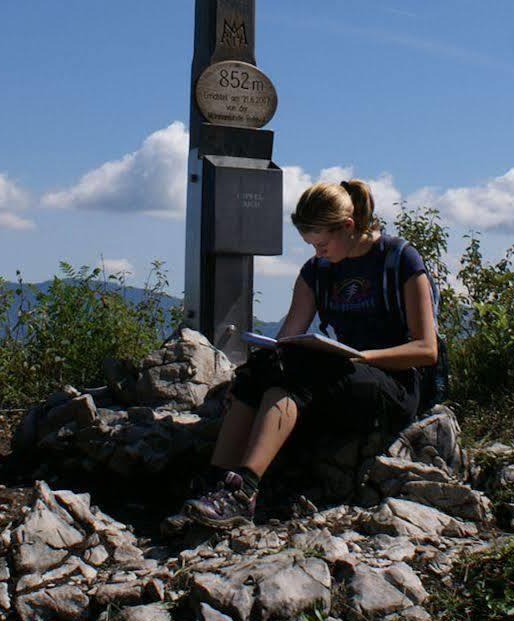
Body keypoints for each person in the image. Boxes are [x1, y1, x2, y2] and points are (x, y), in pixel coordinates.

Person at [179, 178, 438, 528]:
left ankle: (244, 490)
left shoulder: (399, 259)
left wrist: (362, 358)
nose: (318, 252)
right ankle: (216, 482)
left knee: (299, 369)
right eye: (311, 244)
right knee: (271, 365)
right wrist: (252, 375)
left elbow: (425, 349)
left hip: (394, 385)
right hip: (343, 378)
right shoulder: (317, 272)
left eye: (322, 242)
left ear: (348, 226)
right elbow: (286, 343)